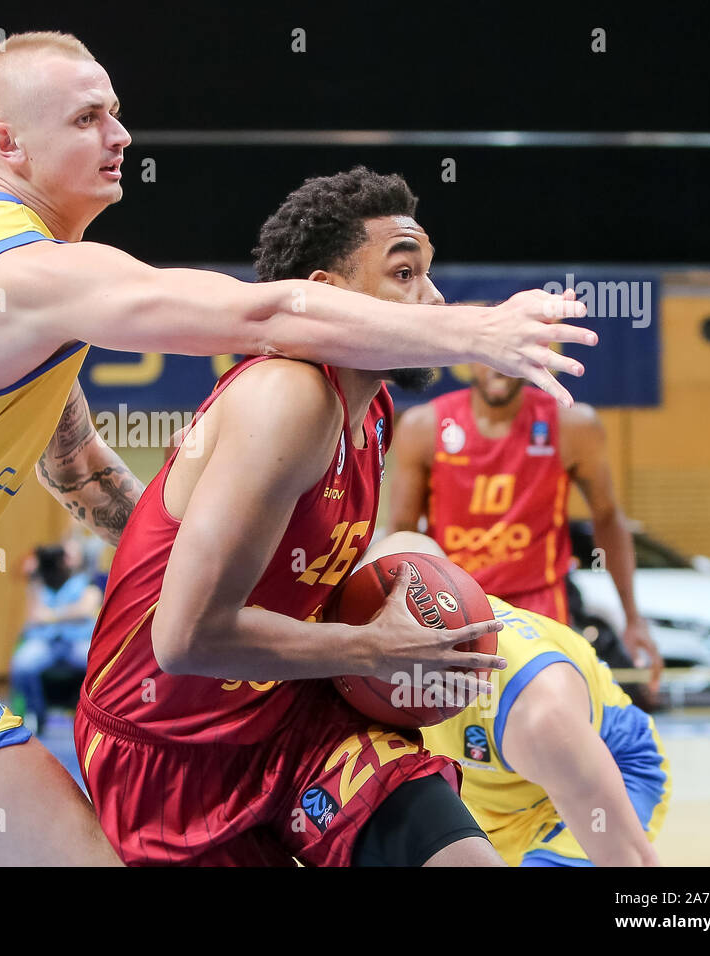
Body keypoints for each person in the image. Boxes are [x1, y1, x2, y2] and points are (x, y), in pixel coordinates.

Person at [0, 31, 593, 868]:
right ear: (8, 144)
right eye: (88, 117)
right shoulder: (25, 276)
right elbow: (264, 313)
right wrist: (474, 330)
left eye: (116, 112)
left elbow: (74, 462)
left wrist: (205, 564)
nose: (120, 134)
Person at [77, 167, 508, 866]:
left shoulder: (374, 415)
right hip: (168, 749)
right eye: (403, 274)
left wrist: (413, 626)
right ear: (325, 296)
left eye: (428, 273)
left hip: (292, 714)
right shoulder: (287, 397)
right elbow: (186, 638)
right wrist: (377, 649)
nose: (433, 300)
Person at [363, 532, 670, 866]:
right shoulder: (357, 649)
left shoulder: (540, 711)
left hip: (595, 774)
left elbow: (632, 860)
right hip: (489, 793)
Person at [387, 363, 664, 692]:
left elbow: (607, 518)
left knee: (548, 721)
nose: (498, 370)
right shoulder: (424, 426)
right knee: (459, 730)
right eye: (488, 357)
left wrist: (633, 619)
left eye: (508, 359)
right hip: (456, 604)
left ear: (532, 363)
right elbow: (403, 533)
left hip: (541, 608)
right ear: (468, 361)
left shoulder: (572, 425)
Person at [10, 543, 102, 734]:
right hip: (45, 643)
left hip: (77, 642)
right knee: (23, 664)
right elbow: (34, 616)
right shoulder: (39, 584)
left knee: (99, 664)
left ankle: (92, 716)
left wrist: (52, 615)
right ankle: (35, 714)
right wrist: (34, 575)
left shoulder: (86, 581)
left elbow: (85, 610)